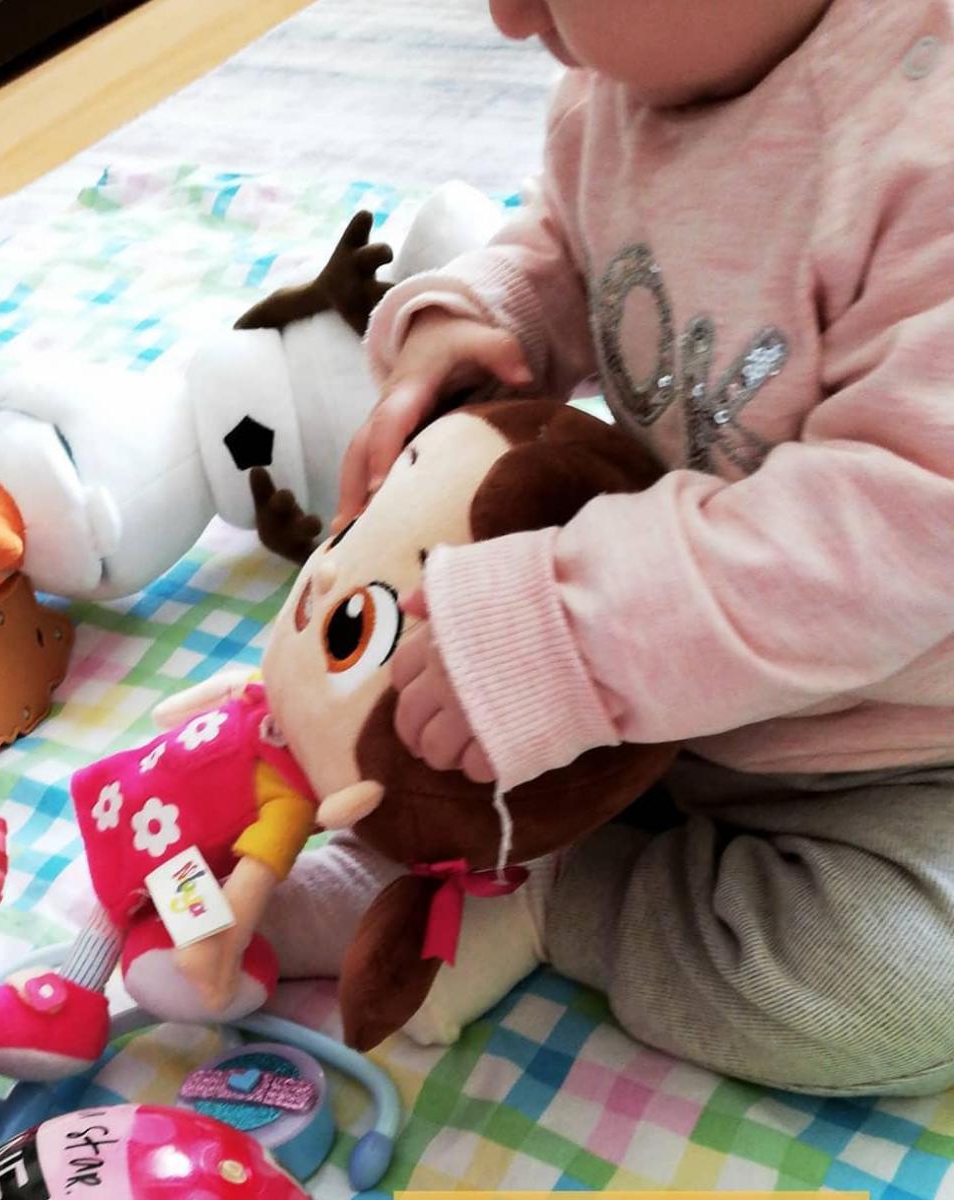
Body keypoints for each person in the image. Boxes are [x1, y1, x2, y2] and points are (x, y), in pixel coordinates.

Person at [262, 0, 954, 1096]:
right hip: (650, 685)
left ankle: (555, 892)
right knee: (412, 663)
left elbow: (905, 523)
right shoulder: (624, 83)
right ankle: (474, 819)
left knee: (895, 988)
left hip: (896, 753)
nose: (507, 17)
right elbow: (571, 239)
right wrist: (490, 315)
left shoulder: (926, 136)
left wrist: (573, 632)